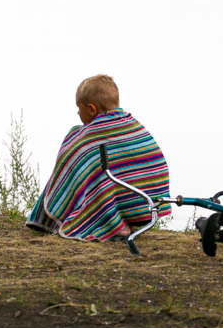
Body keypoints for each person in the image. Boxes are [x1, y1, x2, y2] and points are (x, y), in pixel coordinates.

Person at [26, 74, 171, 241]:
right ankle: (124, 220)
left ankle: (114, 225)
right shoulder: (135, 127)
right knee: (104, 173)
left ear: (92, 109)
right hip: (151, 208)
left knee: (76, 156)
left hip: (132, 206)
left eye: (79, 107)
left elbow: (65, 173)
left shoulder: (87, 136)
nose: (77, 112)